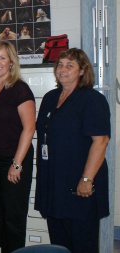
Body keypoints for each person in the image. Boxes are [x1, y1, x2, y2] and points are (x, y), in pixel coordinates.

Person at [35, 48, 110, 253]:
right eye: (60, 64)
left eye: (70, 65)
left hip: (79, 185)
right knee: (60, 245)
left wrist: (87, 179)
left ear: (82, 71)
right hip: (54, 183)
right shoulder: (51, 97)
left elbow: (101, 141)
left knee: (82, 244)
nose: (63, 69)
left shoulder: (91, 99)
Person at [0, 40, 36, 253]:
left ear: (11, 62)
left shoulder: (20, 89)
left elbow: (29, 129)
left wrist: (17, 164)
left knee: (13, 218)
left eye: (2, 57)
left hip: (13, 162)